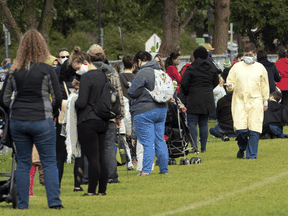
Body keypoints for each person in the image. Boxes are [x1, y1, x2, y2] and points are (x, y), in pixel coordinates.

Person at [0, 29, 63, 209]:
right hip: (42, 119)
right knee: (49, 161)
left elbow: (4, 99)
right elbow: (57, 97)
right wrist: (52, 111)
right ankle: (54, 203)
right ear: (42, 46)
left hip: (19, 120)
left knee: (23, 163)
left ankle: (22, 204)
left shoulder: (14, 70)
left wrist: (13, 110)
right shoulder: (47, 70)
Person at [71, 46, 109, 196]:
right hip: (102, 119)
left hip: (88, 120)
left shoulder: (87, 77)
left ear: (86, 61)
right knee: (101, 157)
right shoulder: (102, 75)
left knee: (92, 158)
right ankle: (102, 190)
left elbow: (82, 102)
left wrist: (72, 101)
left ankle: (91, 190)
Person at [87, 44, 124, 184]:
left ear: (89, 56)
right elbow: (119, 96)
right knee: (108, 147)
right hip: (109, 114)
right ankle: (112, 176)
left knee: (90, 147)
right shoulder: (113, 72)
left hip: (91, 115)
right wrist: (119, 117)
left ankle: (89, 176)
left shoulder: (86, 72)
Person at [128, 51, 169, 176]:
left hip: (145, 110)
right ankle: (164, 169)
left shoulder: (142, 73)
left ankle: (145, 170)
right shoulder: (161, 72)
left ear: (140, 61)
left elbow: (131, 92)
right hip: (162, 109)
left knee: (147, 142)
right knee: (160, 140)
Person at [226, 43, 269, 159]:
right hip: (240, 101)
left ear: (255, 54)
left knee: (254, 128)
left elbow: (265, 85)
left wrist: (265, 100)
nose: (248, 57)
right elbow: (231, 81)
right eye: (246, 55)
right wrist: (230, 86)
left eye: (250, 55)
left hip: (256, 100)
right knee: (241, 129)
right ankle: (242, 146)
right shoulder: (236, 67)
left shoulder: (260, 68)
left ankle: (252, 155)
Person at [181, 46, 219, 153]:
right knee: (204, 123)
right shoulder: (212, 68)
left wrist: (188, 91)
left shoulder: (191, 68)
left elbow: (184, 83)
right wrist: (208, 88)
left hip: (193, 98)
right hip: (207, 98)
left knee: (192, 123)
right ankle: (203, 148)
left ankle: (194, 146)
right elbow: (216, 81)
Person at [56, 56, 84, 192]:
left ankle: (57, 185)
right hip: (77, 121)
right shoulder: (79, 84)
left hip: (62, 122)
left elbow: (54, 102)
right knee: (79, 153)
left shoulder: (59, 85)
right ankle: (77, 185)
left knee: (59, 156)